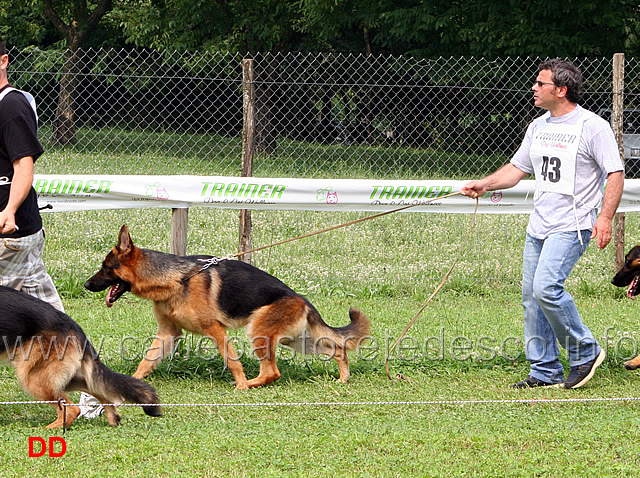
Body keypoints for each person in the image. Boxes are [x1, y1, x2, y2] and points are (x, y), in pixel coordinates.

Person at [461, 59, 624, 389]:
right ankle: (544, 371)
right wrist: (485, 184)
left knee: (546, 287)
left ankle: (585, 352)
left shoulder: (593, 127)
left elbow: (615, 172)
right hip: (540, 225)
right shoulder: (538, 126)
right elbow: (517, 169)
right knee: (531, 297)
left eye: (540, 84)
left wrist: (604, 217)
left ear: (560, 91)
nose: (534, 89)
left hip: (572, 224)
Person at [0, 36, 103, 416]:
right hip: (18, 234)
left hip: (11, 230)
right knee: (50, 318)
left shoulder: (10, 106)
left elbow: (23, 164)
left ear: (4, 60)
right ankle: (95, 390)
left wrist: (9, 209)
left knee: (39, 320)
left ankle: (90, 392)